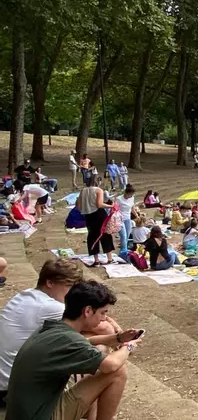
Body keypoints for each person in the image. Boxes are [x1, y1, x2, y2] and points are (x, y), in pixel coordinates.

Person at [4, 281, 143, 420]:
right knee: (117, 372)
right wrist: (129, 346)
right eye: (102, 313)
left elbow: (85, 342)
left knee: (96, 359)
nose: (104, 318)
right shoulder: (69, 339)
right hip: (41, 415)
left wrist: (118, 338)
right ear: (87, 311)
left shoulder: (53, 328)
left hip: (29, 410)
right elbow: (111, 365)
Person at [0, 259, 85, 400]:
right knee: (93, 348)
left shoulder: (26, 294)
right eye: (69, 286)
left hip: (6, 380)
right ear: (50, 283)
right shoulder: (49, 306)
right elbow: (93, 321)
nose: (73, 293)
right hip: (10, 388)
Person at [75, 176, 115, 265]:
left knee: (92, 236)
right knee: (105, 235)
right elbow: (99, 204)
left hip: (88, 215)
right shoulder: (98, 190)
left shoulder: (83, 190)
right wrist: (111, 206)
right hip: (99, 214)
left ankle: (96, 260)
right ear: (98, 181)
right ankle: (109, 258)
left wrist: (85, 209)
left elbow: (78, 205)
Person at [115, 184, 138, 255]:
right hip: (120, 219)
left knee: (127, 235)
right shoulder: (119, 199)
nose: (130, 196)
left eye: (132, 195)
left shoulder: (132, 198)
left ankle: (123, 249)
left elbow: (132, 208)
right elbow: (115, 209)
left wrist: (136, 215)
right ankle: (124, 251)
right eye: (130, 195)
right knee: (123, 235)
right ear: (126, 193)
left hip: (128, 218)